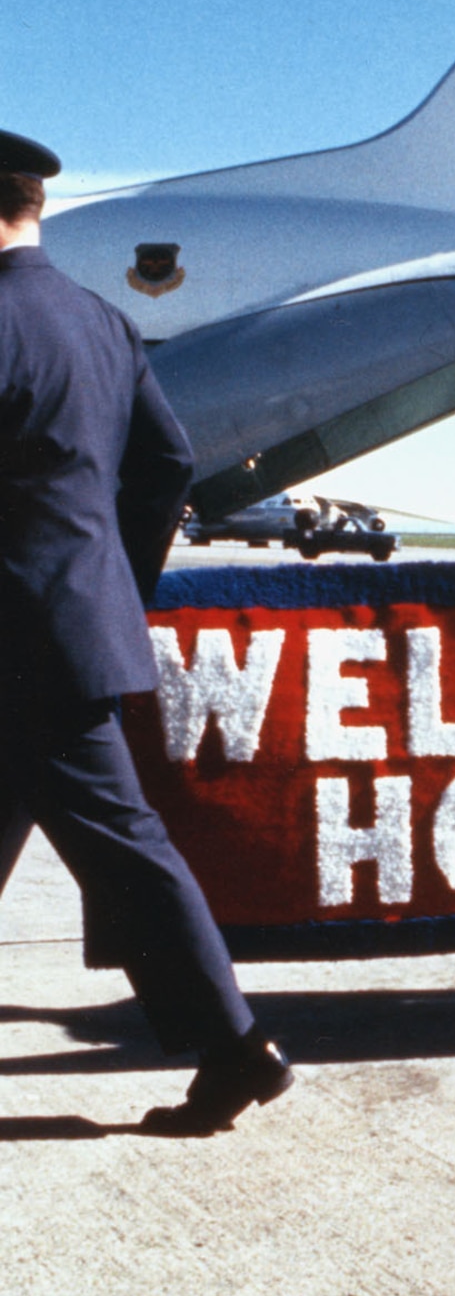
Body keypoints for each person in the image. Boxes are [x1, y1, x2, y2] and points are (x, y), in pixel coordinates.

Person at [0, 130, 293, 1136]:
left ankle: (237, 1044)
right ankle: (234, 1046)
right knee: (120, 844)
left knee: (127, 849)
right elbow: (167, 461)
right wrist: (108, 582)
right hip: (68, 630)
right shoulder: (101, 321)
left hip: (10, 646)